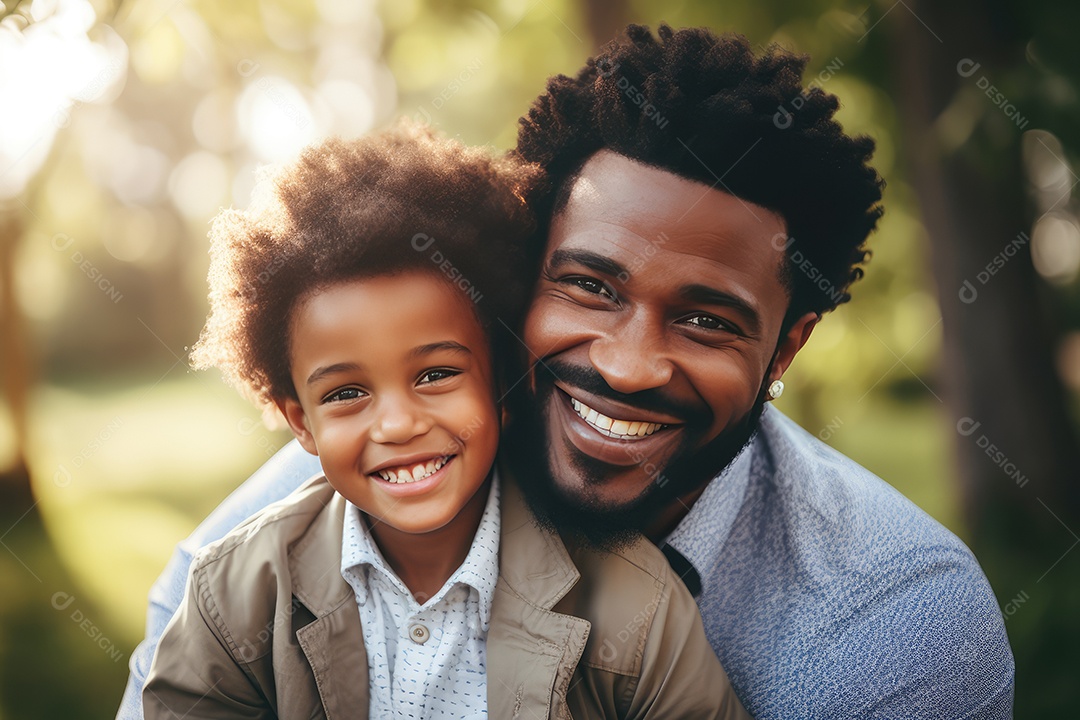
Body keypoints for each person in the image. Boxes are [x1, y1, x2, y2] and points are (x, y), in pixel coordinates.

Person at [121, 25, 1015, 719]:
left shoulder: (894, 624)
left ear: (786, 348)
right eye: (589, 286)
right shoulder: (315, 514)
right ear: (517, 278)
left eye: (707, 320)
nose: (626, 367)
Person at [141, 124, 749, 719]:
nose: (399, 424)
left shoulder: (635, 609)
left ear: (501, 382)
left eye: (435, 375)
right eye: (347, 392)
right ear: (300, 422)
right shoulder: (236, 598)